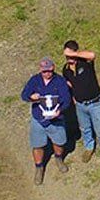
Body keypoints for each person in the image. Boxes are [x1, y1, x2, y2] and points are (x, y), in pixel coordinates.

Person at [61, 40, 100, 165]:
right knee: (85, 129)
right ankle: (89, 147)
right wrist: (74, 99)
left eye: (71, 55)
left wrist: (76, 54)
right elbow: (70, 85)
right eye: (67, 56)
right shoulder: (66, 70)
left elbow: (92, 55)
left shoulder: (85, 63)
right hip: (80, 105)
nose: (69, 59)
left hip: (95, 103)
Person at [21, 57, 72, 185]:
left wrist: (59, 110)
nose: (47, 73)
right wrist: (31, 97)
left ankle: (59, 159)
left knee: (59, 142)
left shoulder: (60, 81)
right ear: (40, 70)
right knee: (37, 145)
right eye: (44, 71)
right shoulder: (34, 80)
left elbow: (67, 99)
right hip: (38, 118)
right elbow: (24, 95)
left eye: (49, 71)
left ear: (53, 68)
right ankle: (39, 167)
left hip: (56, 119)